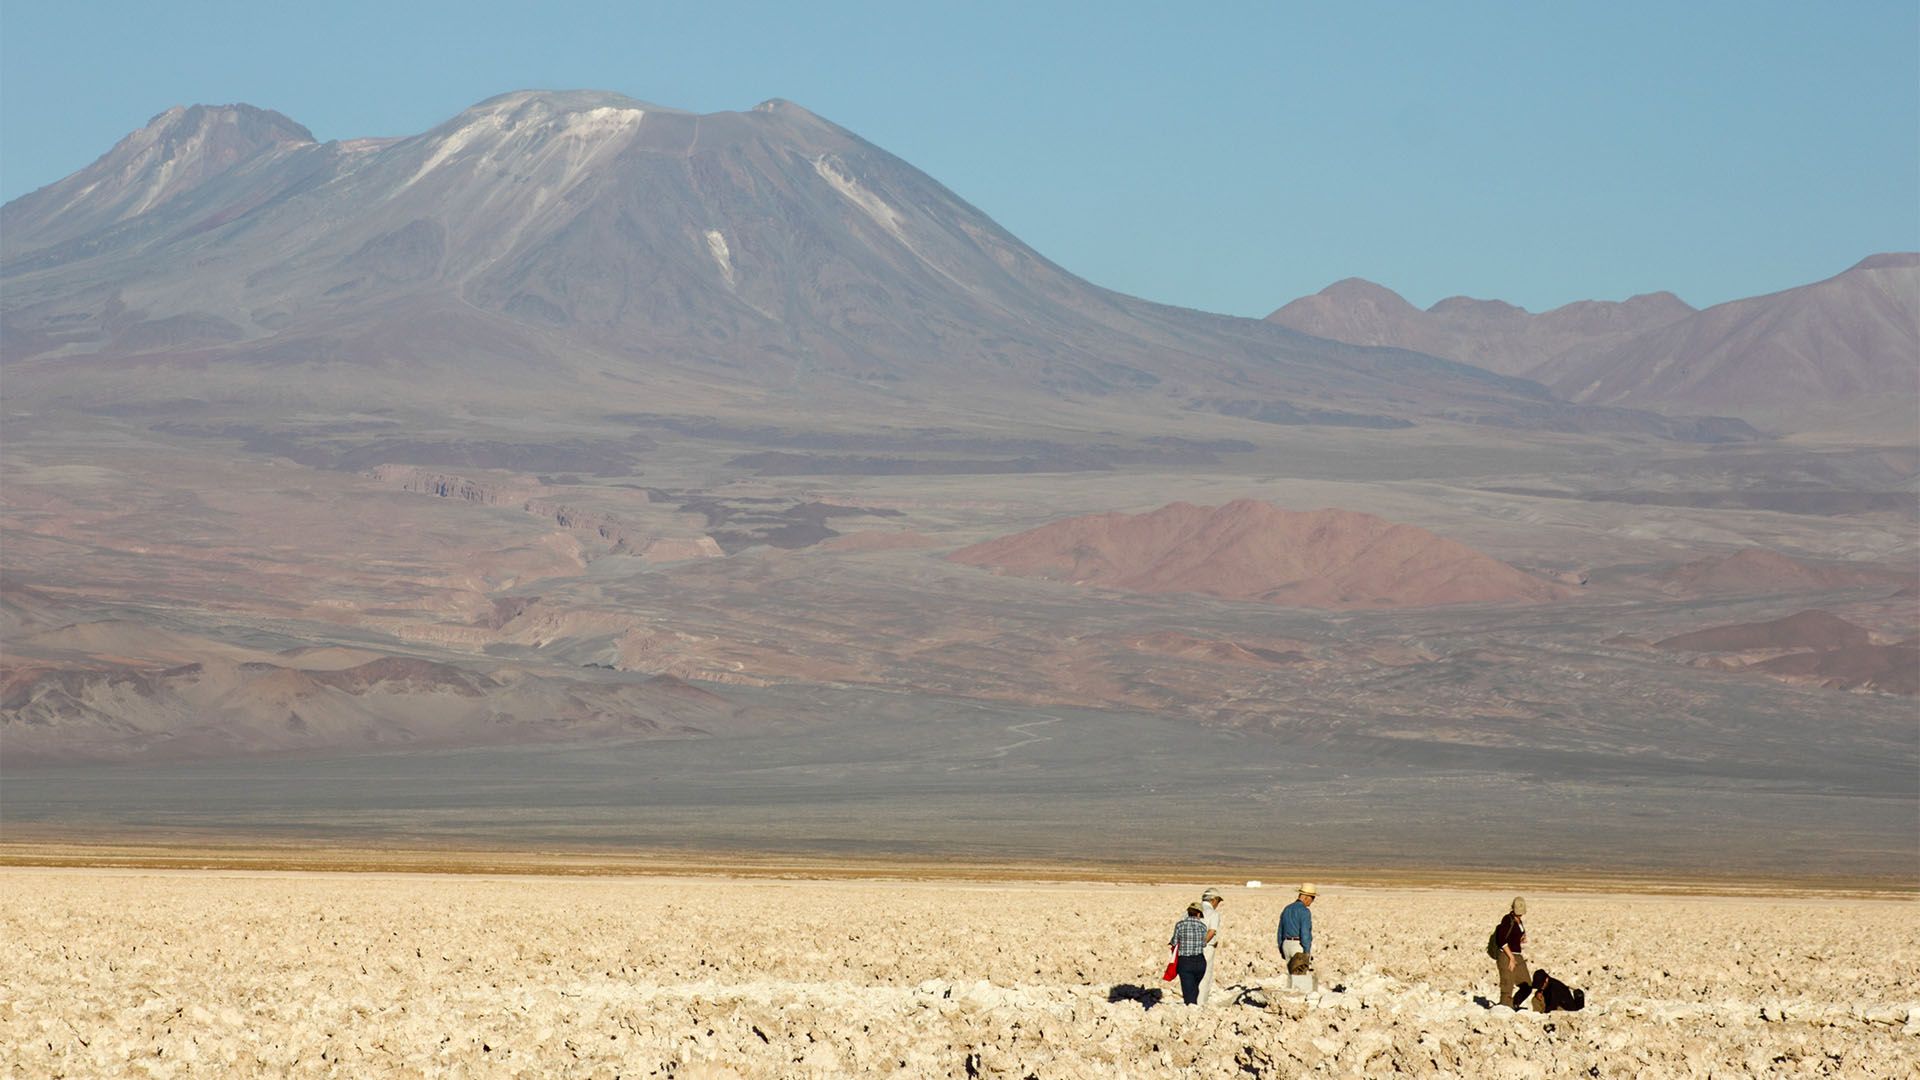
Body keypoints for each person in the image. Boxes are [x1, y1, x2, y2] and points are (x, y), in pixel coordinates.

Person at [1169, 902, 1213, 1005]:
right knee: (1195, 988)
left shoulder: (1179, 925)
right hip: (1200, 961)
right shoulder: (1202, 927)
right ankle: (1194, 1008)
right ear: (1198, 914)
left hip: (1185, 962)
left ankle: (1191, 1010)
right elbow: (1203, 944)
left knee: (1188, 991)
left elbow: (1174, 941)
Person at [1494, 896, 1528, 1008]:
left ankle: (1513, 1005)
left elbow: (1513, 936)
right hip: (1506, 956)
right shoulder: (1507, 919)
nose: (1520, 914)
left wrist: (1521, 938)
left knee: (1527, 984)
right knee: (1507, 986)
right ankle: (1504, 1009)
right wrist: (1511, 958)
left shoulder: (1519, 921)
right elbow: (1502, 940)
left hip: (1517, 955)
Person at [1195, 888, 1225, 1005]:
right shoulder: (1213, 913)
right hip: (1206, 947)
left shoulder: (1189, 911)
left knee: (1190, 976)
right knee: (1204, 975)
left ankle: (1189, 1002)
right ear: (1214, 900)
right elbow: (1211, 931)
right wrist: (1201, 944)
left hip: (1188, 948)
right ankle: (1200, 1003)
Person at [1277, 883, 1315, 971]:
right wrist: (1306, 951)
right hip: (1297, 945)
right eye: (1312, 898)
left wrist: (1281, 947)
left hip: (1286, 945)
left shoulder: (1287, 909)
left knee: (1291, 975)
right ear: (1307, 897)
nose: (1312, 901)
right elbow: (1305, 933)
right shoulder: (1305, 911)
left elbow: (1280, 931)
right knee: (1300, 976)